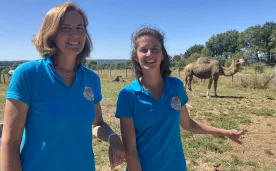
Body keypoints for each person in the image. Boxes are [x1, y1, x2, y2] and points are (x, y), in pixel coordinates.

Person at [1, 2, 125, 171]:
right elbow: (10, 142)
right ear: (51, 33)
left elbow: (96, 124)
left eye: (80, 28)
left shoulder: (91, 79)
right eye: (65, 28)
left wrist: (113, 137)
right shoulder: (28, 74)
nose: (75, 35)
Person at [115, 26, 245, 171]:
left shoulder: (176, 86)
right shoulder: (128, 95)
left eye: (155, 49)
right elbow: (130, 150)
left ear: (163, 55)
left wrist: (224, 132)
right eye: (143, 50)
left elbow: (188, 124)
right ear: (135, 56)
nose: (149, 54)